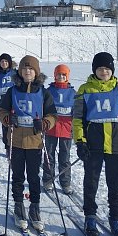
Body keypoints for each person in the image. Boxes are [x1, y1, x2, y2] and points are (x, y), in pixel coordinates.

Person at [73, 52, 118, 236]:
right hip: (93, 146)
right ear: (94, 70)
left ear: (112, 71)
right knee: (91, 183)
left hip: (116, 145)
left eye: (107, 69)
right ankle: (90, 217)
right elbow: (77, 119)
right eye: (100, 68)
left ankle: (115, 220)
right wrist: (80, 141)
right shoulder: (84, 90)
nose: (104, 72)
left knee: (115, 186)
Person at [0, 55, 56, 231]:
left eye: (31, 69)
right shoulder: (12, 91)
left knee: (33, 176)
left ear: (36, 72)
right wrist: (8, 118)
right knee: (17, 176)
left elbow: (53, 115)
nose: (27, 72)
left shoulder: (43, 92)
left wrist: (44, 123)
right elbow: (2, 110)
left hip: (35, 142)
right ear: (20, 71)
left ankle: (34, 208)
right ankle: (18, 206)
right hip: (15, 140)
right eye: (24, 69)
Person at [42, 64, 76, 194]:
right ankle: (47, 180)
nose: (60, 77)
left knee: (65, 158)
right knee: (49, 156)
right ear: (54, 75)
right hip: (51, 128)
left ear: (67, 76)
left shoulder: (72, 93)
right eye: (58, 74)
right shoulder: (49, 91)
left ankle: (65, 183)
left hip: (67, 130)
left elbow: (76, 111)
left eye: (63, 75)